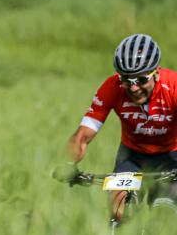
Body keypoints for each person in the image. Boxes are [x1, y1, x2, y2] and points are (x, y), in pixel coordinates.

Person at [63, 33, 177, 221]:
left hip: (171, 156)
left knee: (164, 212)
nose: (134, 88)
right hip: (132, 156)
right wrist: (67, 164)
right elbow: (83, 135)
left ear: (156, 71)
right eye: (126, 79)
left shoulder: (173, 86)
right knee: (118, 207)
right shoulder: (112, 87)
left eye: (141, 80)